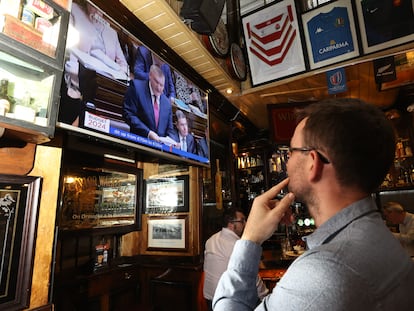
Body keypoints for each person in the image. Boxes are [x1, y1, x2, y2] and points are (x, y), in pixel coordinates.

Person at [213, 98, 414, 310]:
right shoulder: (381, 237)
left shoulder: (323, 273)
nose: (287, 162)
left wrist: (250, 240)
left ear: (312, 162)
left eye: (291, 151)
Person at [59, 0, 129, 126]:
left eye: (102, 9)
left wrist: (116, 70)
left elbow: (124, 65)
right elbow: (66, 46)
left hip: (104, 86)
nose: (97, 11)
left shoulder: (112, 32)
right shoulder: (75, 10)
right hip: (78, 79)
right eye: (94, 6)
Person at [203, 207, 268, 311]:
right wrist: (265, 295)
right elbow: (251, 276)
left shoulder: (211, 239)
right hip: (227, 302)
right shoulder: (236, 245)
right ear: (231, 225)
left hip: (209, 299)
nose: (246, 224)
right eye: (242, 221)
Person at [123, 65, 176, 143]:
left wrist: (172, 141)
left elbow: (170, 129)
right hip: (138, 143)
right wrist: (148, 133)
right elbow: (128, 114)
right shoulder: (136, 87)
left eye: (161, 85)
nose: (158, 88)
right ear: (150, 76)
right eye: (156, 82)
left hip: (159, 150)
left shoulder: (166, 103)